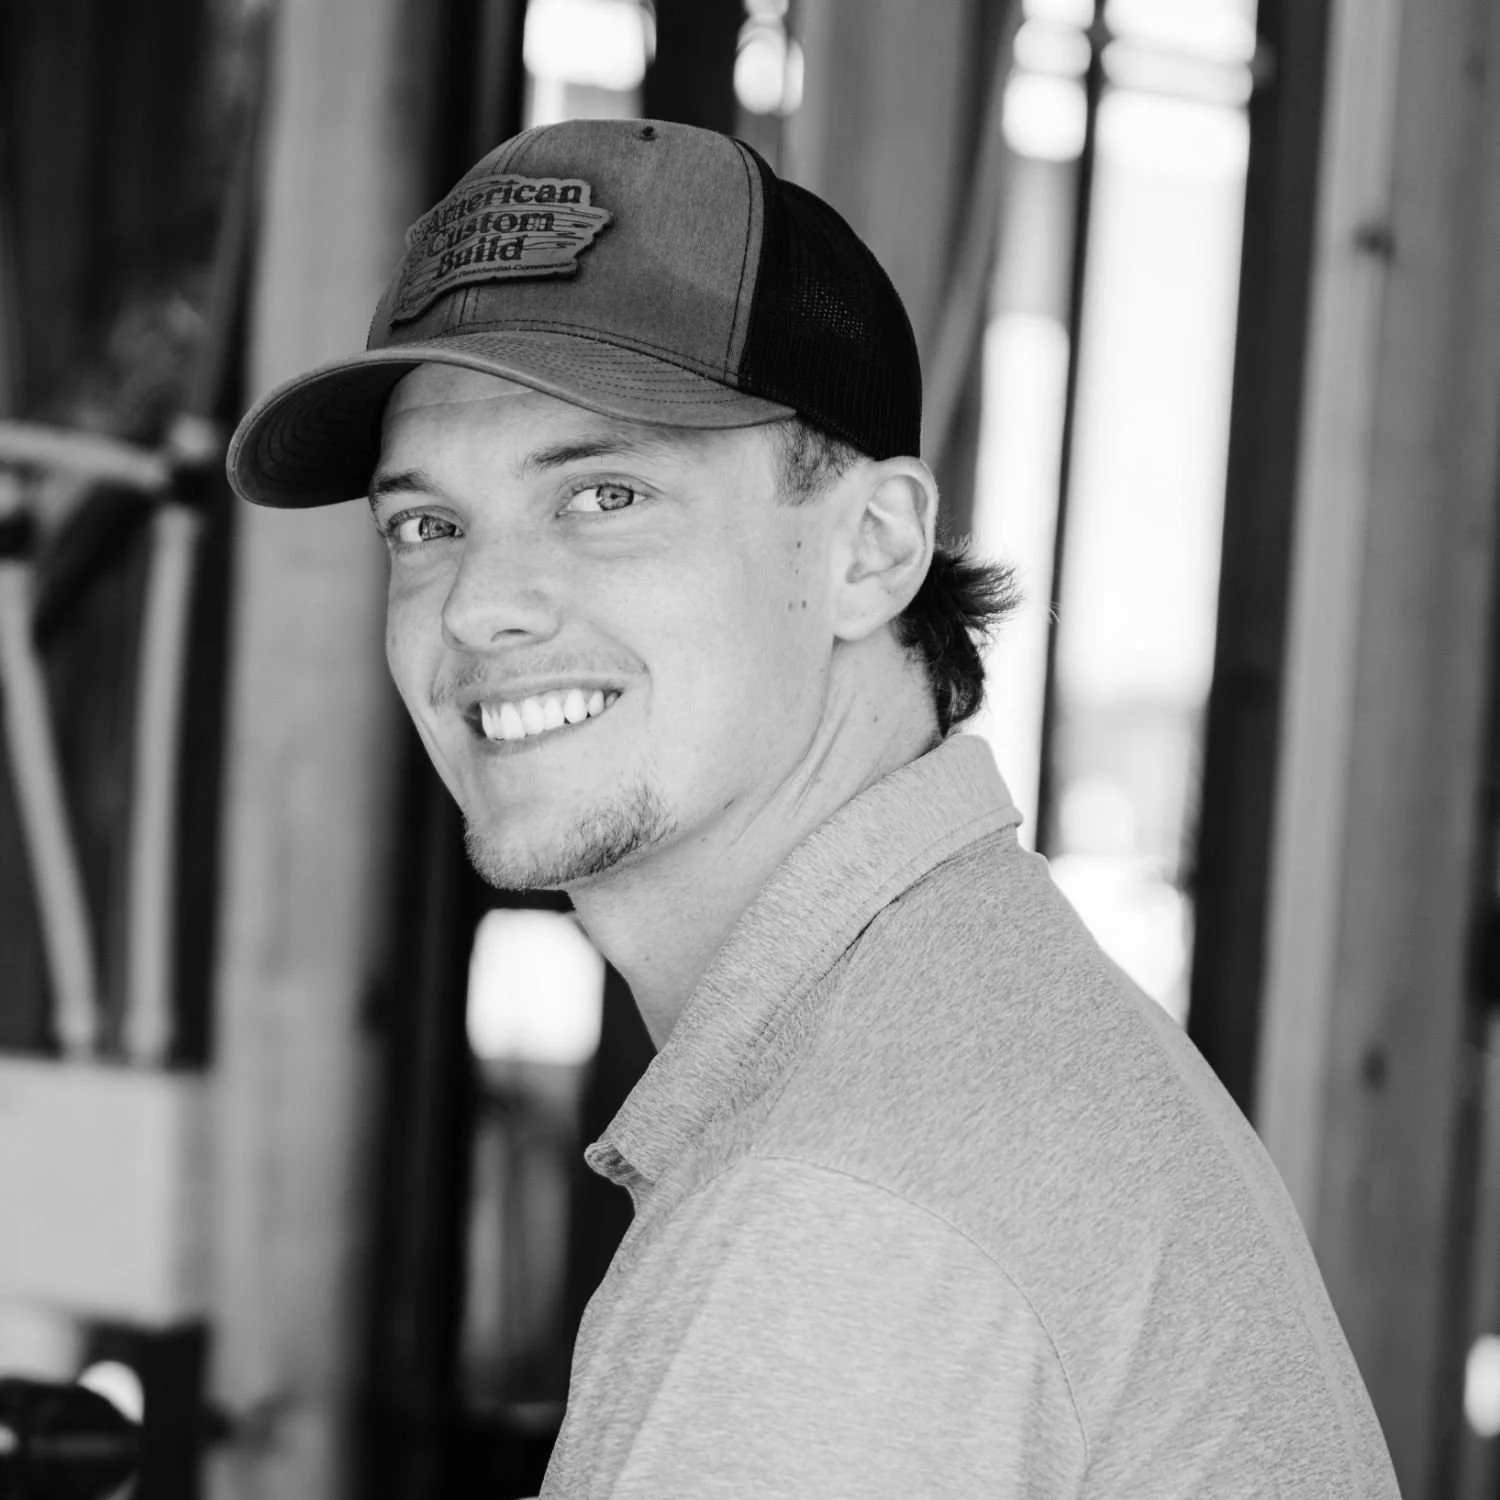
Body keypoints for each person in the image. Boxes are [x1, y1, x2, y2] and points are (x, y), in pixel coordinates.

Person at [227, 118, 1401, 1497]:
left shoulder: (839, 1215)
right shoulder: (946, 1021)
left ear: (874, 549)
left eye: (605, 494)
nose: (479, 605)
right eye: (425, 526)